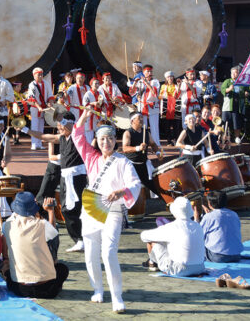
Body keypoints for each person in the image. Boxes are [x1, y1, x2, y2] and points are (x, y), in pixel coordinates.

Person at [73, 109, 142, 313]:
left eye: (110, 139)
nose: (106, 143)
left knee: (109, 252)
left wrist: (122, 191)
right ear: (97, 140)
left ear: (115, 140)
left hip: (113, 211)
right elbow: (76, 136)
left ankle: (117, 297)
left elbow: (136, 183)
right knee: (90, 253)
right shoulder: (91, 158)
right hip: (92, 209)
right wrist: (85, 115)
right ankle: (97, 289)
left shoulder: (123, 162)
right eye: (102, 139)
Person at [22, 112, 86, 252]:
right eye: (59, 124)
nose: (59, 126)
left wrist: (62, 119)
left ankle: (81, 239)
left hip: (76, 177)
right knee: (67, 209)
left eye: (62, 124)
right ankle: (81, 239)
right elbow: (43, 137)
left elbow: (71, 127)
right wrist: (25, 130)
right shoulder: (61, 137)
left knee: (71, 209)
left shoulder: (77, 135)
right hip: (65, 177)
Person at [1, 191, 69, 298]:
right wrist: (50, 211)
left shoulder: (6, 225)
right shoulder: (42, 224)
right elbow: (53, 233)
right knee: (62, 269)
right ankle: (53, 264)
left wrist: (5, 258)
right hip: (47, 289)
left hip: (20, 289)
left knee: (7, 270)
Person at [140, 196, 205, 276]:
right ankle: (153, 262)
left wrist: (161, 232)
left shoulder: (171, 227)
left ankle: (152, 263)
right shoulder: (198, 226)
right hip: (200, 268)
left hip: (179, 270)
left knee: (153, 241)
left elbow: (144, 236)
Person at [121, 113, 162, 193]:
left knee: (153, 185)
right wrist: (138, 148)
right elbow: (125, 148)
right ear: (132, 121)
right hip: (131, 165)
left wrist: (157, 153)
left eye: (142, 118)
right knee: (131, 188)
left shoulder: (146, 133)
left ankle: (166, 201)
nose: (142, 120)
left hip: (143, 164)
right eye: (139, 118)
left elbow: (153, 144)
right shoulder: (128, 133)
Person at [199, 191, 244, 263]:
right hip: (236, 255)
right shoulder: (234, 214)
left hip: (218, 256)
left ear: (209, 204)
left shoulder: (209, 217)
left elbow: (199, 235)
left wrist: (196, 219)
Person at [129, 64, 161, 147]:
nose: (150, 73)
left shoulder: (155, 81)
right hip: (142, 107)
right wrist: (134, 84)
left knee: (154, 128)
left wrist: (147, 83)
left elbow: (154, 93)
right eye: (148, 71)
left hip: (152, 106)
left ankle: (156, 146)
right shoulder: (140, 82)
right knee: (143, 127)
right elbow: (132, 93)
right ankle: (144, 145)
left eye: (151, 71)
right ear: (144, 72)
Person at [26, 67, 54, 150]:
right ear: (34, 76)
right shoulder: (32, 85)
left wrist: (50, 103)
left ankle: (39, 143)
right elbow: (31, 98)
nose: (41, 76)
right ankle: (34, 144)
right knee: (35, 126)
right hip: (35, 109)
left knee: (41, 126)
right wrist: (38, 107)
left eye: (41, 74)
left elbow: (50, 95)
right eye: (39, 75)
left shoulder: (46, 83)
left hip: (43, 108)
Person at [221, 66, 248, 144]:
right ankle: (224, 137)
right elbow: (223, 90)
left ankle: (237, 137)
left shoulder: (242, 82)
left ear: (239, 73)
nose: (233, 74)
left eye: (235, 72)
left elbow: (248, 92)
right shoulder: (227, 81)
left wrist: (247, 94)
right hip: (228, 106)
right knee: (225, 122)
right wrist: (229, 89)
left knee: (237, 123)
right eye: (232, 73)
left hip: (238, 106)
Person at [159, 71, 181, 144]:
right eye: (168, 77)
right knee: (167, 125)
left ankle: (176, 139)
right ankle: (169, 140)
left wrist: (178, 86)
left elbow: (178, 95)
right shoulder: (163, 86)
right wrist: (165, 95)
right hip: (166, 107)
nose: (170, 78)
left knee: (176, 125)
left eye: (171, 76)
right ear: (166, 78)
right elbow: (160, 96)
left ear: (173, 77)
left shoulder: (176, 85)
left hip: (175, 106)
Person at [82, 78, 106, 144]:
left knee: (99, 136)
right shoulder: (88, 94)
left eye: (98, 83)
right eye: (95, 83)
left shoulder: (100, 93)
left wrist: (102, 104)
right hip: (90, 118)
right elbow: (84, 105)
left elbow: (104, 103)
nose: (97, 85)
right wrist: (93, 103)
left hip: (98, 117)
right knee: (89, 138)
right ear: (91, 85)